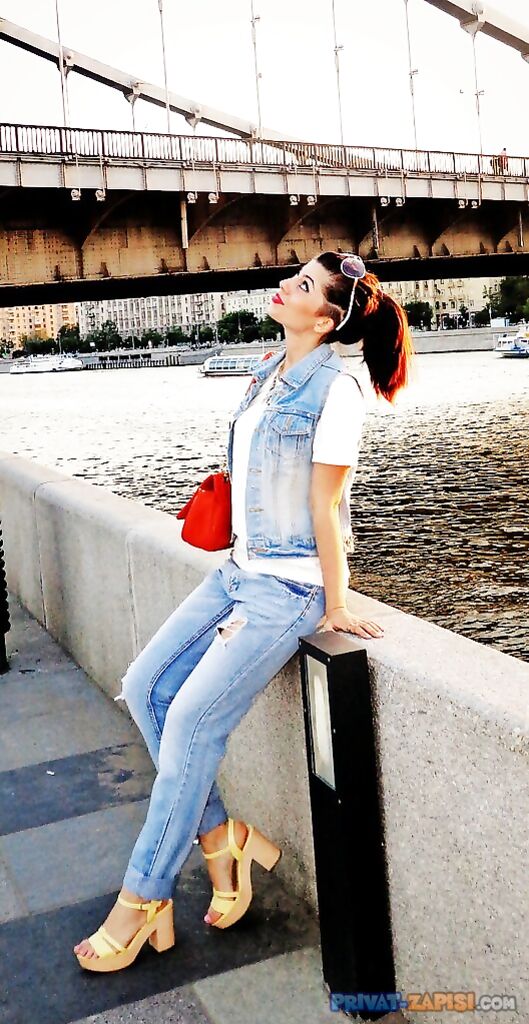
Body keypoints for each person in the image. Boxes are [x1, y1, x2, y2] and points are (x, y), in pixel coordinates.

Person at [73, 250, 415, 972]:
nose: (284, 285)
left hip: (287, 589)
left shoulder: (338, 390)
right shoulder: (267, 372)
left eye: (302, 284)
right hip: (236, 572)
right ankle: (222, 839)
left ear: (325, 318)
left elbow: (326, 505)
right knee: (146, 686)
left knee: (191, 722)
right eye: (292, 276)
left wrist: (336, 600)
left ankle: (142, 899)